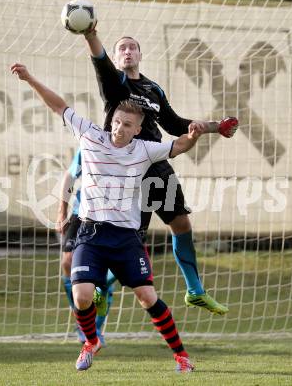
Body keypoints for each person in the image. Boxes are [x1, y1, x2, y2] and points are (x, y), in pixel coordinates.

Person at [11, 62, 205, 372]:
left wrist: (193, 137)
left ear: (137, 129)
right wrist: (29, 77)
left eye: (127, 125)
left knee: (146, 297)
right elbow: (58, 105)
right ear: (110, 120)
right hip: (91, 233)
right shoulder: (90, 135)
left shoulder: (145, 149)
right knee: (82, 294)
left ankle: (181, 356)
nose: (119, 128)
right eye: (116, 121)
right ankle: (91, 341)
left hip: (126, 237)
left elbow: (178, 145)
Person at [82, 29, 238, 315]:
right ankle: (102, 289)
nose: (127, 51)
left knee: (181, 225)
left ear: (140, 54)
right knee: (131, 239)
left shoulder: (154, 89)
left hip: (158, 166)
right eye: (122, 49)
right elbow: (99, 61)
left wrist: (215, 126)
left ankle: (195, 292)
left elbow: (176, 124)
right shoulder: (113, 84)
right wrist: (89, 34)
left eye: (132, 47)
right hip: (129, 171)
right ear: (116, 58)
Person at [56, 149, 115, 345]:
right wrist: (62, 212)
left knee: (104, 277)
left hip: (114, 218)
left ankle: (96, 327)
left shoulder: (131, 149)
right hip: (81, 213)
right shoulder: (89, 146)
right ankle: (83, 320)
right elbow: (70, 177)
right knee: (67, 262)